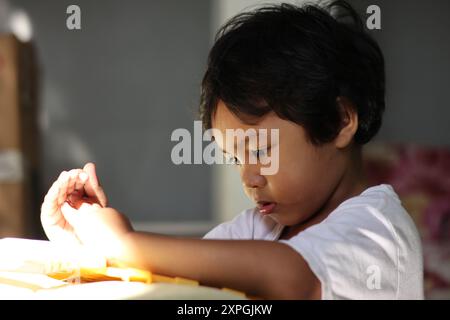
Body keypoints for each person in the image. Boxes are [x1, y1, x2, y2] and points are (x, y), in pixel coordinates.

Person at [40, 1, 423, 299]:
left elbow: (293, 279)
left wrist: (124, 243)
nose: (249, 177)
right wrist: (89, 245)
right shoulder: (259, 229)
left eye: (260, 151)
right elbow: (175, 276)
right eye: (236, 158)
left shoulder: (378, 230)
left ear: (340, 120)